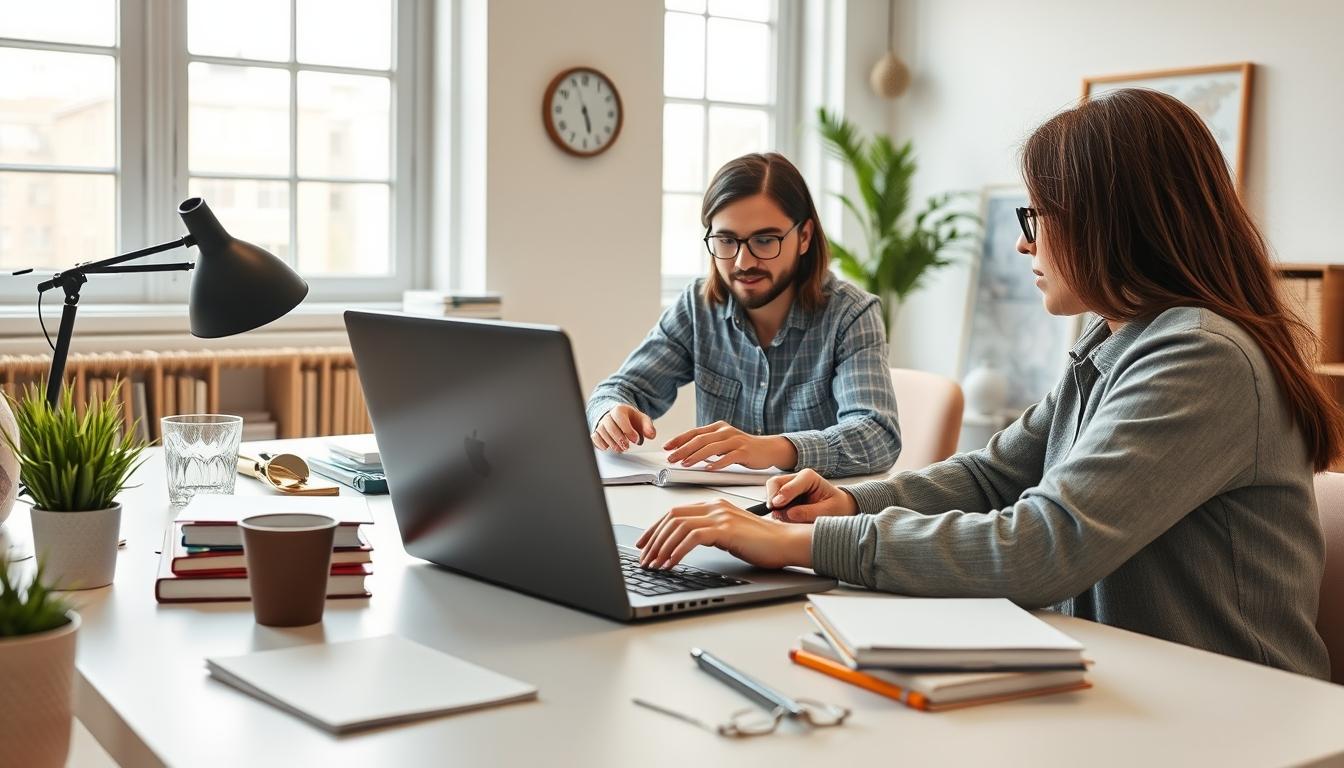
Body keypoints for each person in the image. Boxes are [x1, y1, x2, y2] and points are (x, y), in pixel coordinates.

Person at [634, 89, 1342, 679]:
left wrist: (802, 544)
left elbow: (1045, 544)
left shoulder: (1199, 359)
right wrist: (844, 499)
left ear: (1108, 223)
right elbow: (992, 476)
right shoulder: (1120, 339)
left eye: (1037, 217)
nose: (1023, 243)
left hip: (1233, 714)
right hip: (1120, 679)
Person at [586, 153, 901, 478]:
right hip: (717, 513)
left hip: (809, 522)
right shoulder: (697, 307)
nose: (742, 262)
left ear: (804, 237)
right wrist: (610, 412)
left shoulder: (851, 315)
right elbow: (619, 389)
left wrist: (770, 448)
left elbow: (877, 435)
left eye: (765, 241)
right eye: (726, 240)